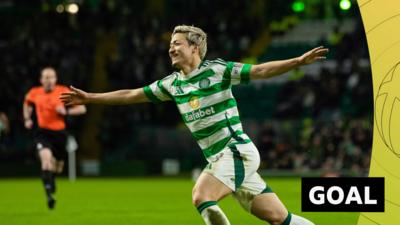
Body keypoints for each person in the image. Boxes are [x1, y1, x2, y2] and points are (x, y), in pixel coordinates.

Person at [61, 25, 328, 225]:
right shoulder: (172, 84)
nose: (171, 48)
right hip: (220, 159)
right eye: (170, 45)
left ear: (194, 48)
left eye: (177, 43)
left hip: (236, 151)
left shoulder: (218, 71)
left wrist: (297, 62)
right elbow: (131, 95)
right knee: (280, 218)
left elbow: (259, 71)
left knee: (201, 196)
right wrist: (90, 97)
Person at [23, 67, 86, 209]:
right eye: (46, 77)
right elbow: (26, 104)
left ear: (55, 79)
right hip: (42, 133)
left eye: (51, 77)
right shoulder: (35, 92)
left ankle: (51, 178)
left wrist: (67, 111)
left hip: (59, 134)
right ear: (41, 80)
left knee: (58, 168)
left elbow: (82, 109)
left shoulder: (62, 91)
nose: (49, 80)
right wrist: (27, 118)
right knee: (45, 161)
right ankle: (49, 195)